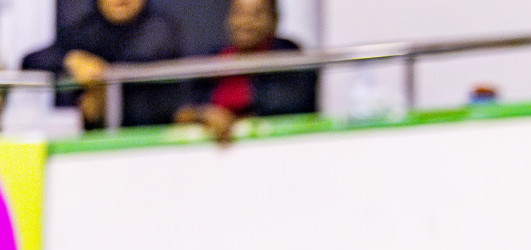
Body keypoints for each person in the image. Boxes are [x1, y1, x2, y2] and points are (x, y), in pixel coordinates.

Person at [22, 0, 184, 129]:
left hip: (147, 144)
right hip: (86, 150)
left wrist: (103, 94)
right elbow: (32, 60)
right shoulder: (85, 30)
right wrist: (71, 59)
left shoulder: (161, 33)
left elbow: (166, 106)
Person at [175, 0, 318, 143]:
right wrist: (205, 114)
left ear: (274, 20)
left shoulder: (287, 55)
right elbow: (182, 110)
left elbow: (292, 102)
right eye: (239, 13)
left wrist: (234, 119)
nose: (246, 22)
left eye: (258, 14)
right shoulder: (211, 59)